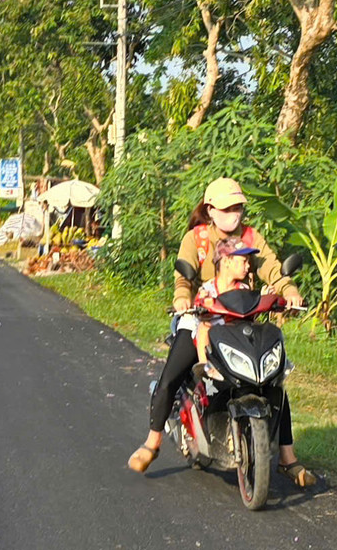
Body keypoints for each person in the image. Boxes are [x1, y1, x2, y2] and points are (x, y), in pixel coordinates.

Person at [129, 176, 312, 485]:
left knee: (274, 380)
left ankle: (287, 458)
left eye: (239, 207)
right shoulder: (197, 239)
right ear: (211, 210)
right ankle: (153, 441)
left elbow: (272, 269)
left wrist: (289, 292)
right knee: (172, 374)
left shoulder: (252, 238)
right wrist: (182, 298)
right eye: (228, 208)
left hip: (242, 317)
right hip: (201, 316)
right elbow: (183, 278)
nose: (235, 214)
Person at [193, 237, 257, 378]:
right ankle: (205, 368)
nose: (248, 266)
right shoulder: (207, 289)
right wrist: (202, 303)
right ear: (226, 261)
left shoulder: (243, 289)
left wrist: (263, 298)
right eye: (244, 261)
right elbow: (198, 308)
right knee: (204, 327)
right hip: (214, 336)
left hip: (235, 334)